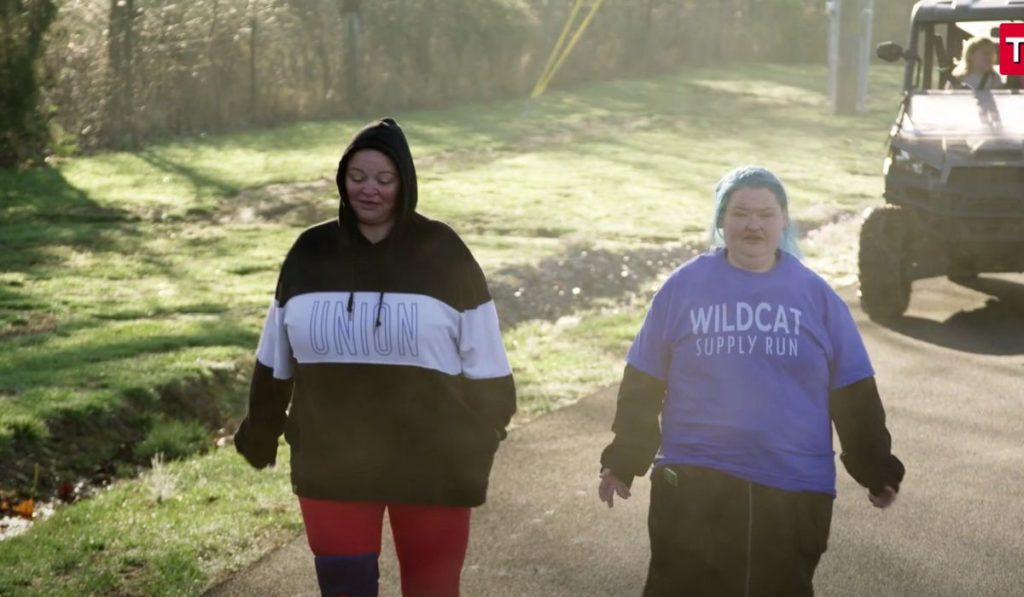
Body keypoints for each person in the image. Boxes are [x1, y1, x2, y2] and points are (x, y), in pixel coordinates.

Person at [234, 117, 517, 597]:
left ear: (405, 183)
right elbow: (275, 354)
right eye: (357, 177)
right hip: (332, 462)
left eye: (385, 180)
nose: (369, 190)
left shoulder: (444, 252)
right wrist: (261, 430)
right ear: (342, 179)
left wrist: (483, 436)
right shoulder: (309, 253)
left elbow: (486, 357)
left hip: (434, 464)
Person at [597, 166, 905, 597]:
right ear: (722, 220)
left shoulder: (815, 296)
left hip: (792, 490)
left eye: (766, 214)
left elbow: (854, 393)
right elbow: (643, 382)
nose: (753, 225)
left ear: (784, 221)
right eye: (740, 212)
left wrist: (877, 469)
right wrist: (624, 460)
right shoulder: (683, 287)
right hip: (694, 484)